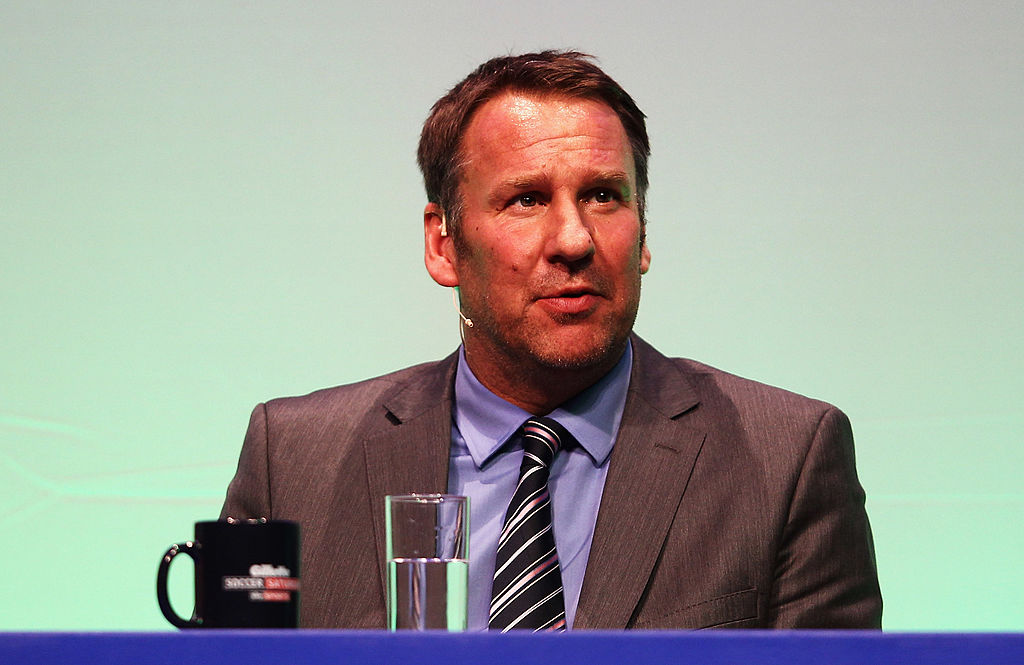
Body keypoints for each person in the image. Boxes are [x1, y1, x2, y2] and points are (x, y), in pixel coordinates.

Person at [221, 50, 882, 630]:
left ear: (644, 236)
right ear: (443, 242)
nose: (574, 240)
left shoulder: (787, 460)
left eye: (603, 195)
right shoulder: (294, 460)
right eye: (527, 199)